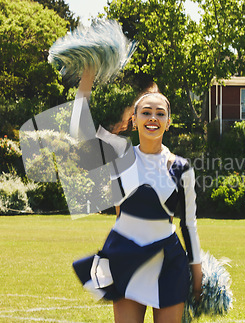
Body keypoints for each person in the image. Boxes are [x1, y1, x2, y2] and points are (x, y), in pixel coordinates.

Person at [72, 82, 202, 323]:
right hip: (125, 258)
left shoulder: (181, 167)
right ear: (134, 119)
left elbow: (189, 224)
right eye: (146, 112)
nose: (153, 118)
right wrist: (86, 82)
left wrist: (197, 271)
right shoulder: (119, 155)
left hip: (168, 262)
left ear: (168, 122)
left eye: (160, 113)